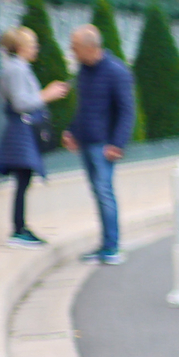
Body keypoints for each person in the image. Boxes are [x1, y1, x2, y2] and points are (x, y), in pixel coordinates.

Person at [60, 24, 135, 266]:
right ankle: (105, 245)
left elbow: (127, 111)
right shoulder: (83, 70)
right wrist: (72, 131)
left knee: (105, 194)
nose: (72, 52)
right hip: (86, 142)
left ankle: (112, 247)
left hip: (104, 146)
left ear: (89, 47)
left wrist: (117, 143)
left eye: (75, 48)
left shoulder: (116, 71)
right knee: (99, 193)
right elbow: (83, 107)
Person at [0, 26, 70, 248]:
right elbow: (20, 103)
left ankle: (20, 227)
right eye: (32, 44)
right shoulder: (17, 69)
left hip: (21, 129)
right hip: (20, 130)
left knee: (24, 179)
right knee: (23, 178)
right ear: (21, 47)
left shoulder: (17, 67)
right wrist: (47, 94)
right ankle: (19, 229)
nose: (35, 48)